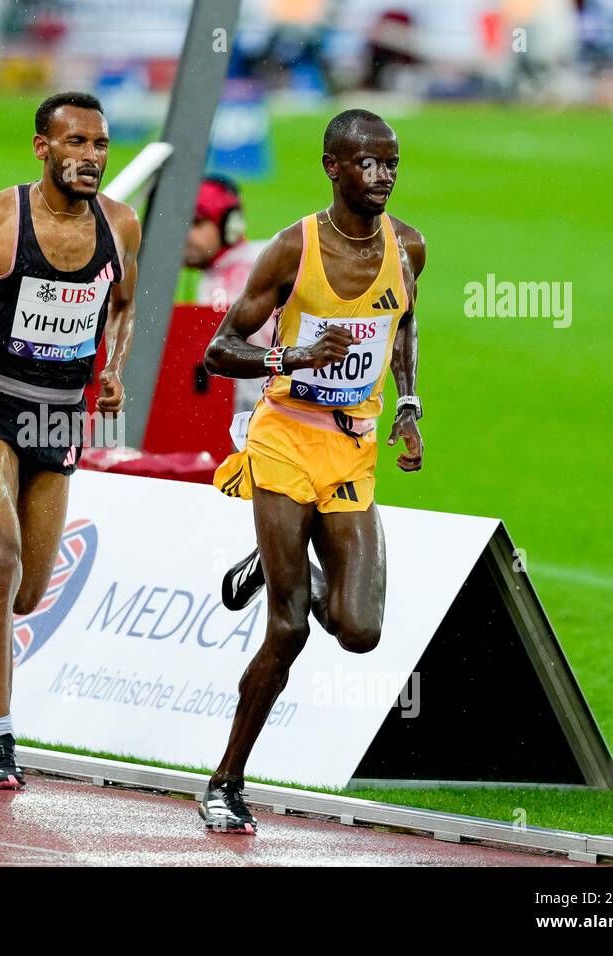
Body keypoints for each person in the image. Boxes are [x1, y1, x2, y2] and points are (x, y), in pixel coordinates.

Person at [199, 109, 425, 831]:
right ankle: (226, 782)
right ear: (333, 166)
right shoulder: (292, 250)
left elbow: (404, 323)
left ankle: (277, 562)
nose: (383, 175)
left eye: (392, 162)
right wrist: (290, 358)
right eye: (368, 162)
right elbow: (219, 348)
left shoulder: (409, 248)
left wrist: (409, 406)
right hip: (286, 439)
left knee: (359, 631)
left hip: (352, 447)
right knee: (290, 627)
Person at [0, 92, 140, 788]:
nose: (90, 158)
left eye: (100, 145)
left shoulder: (121, 224)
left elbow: (124, 305)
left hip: (60, 415)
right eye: (75, 143)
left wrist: (116, 370)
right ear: (43, 148)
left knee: (28, 596)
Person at [184, 174, 273, 413]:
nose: (185, 235)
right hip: (245, 414)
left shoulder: (258, 265)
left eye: (197, 222)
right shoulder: (215, 273)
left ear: (229, 225)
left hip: (271, 415)